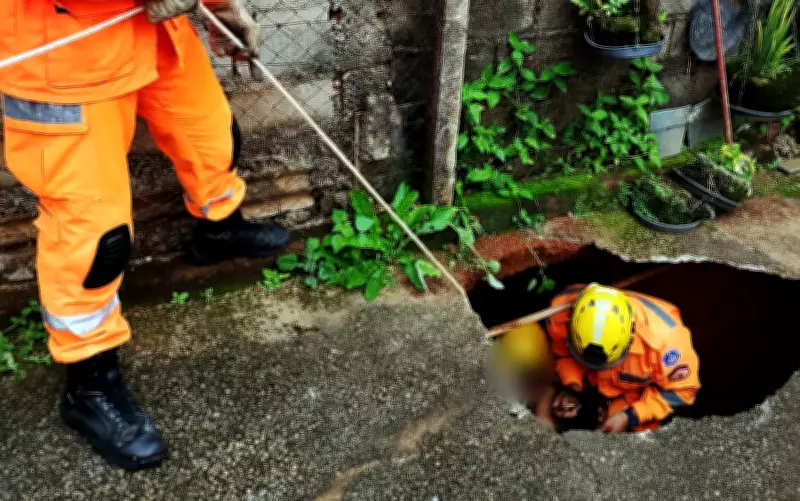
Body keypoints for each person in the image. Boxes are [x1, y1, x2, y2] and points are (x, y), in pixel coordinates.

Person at [0, 0, 289, 470]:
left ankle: (219, 230)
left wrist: (220, 6)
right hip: (61, 56)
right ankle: (88, 381)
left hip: (155, 26)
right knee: (94, 237)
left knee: (213, 137)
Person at [543, 283, 701, 433]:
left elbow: (683, 392)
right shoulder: (560, 314)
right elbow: (563, 354)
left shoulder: (667, 345)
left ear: (631, 337)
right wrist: (572, 386)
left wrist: (631, 416)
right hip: (594, 385)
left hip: (636, 395)